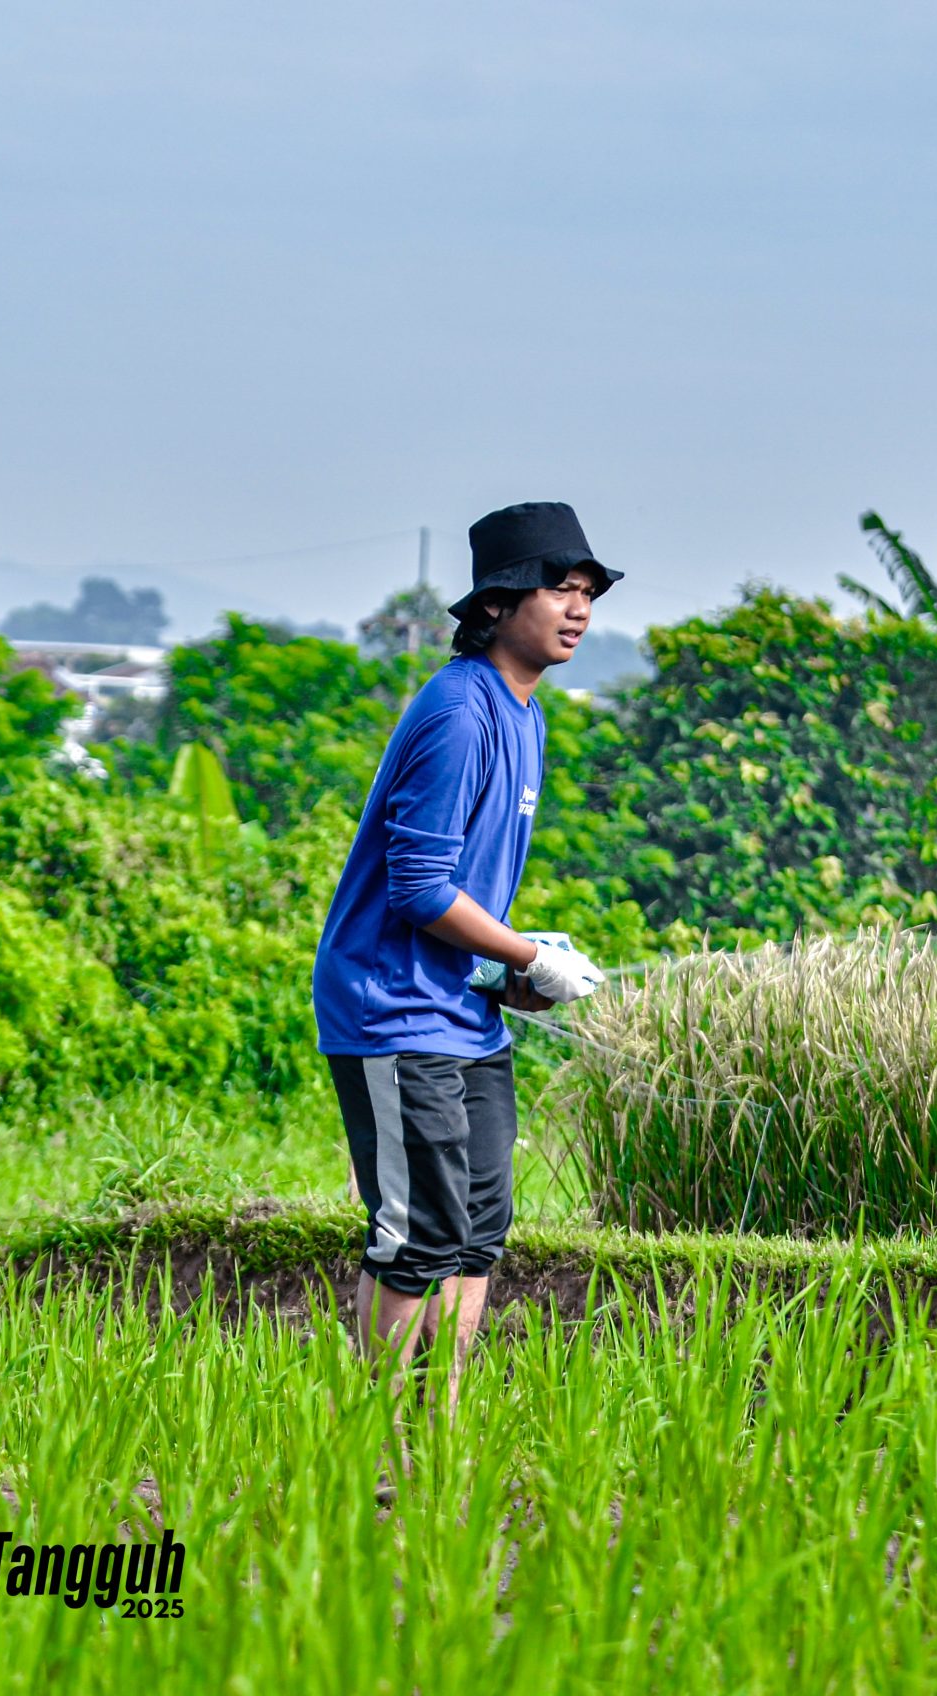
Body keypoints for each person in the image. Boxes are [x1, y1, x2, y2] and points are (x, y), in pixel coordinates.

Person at [311, 500, 619, 1410]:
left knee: (479, 1229)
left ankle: (436, 1421)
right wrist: (526, 948)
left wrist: (509, 973)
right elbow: (416, 890)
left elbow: (463, 906)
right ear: (495, 604)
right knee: (418, 1234)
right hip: (393, 1012)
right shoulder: (458, 713)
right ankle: (375, 1435)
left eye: (587, 593)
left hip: (461, 1009)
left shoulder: (524, 716)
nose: (576, 609)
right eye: (557, 589)